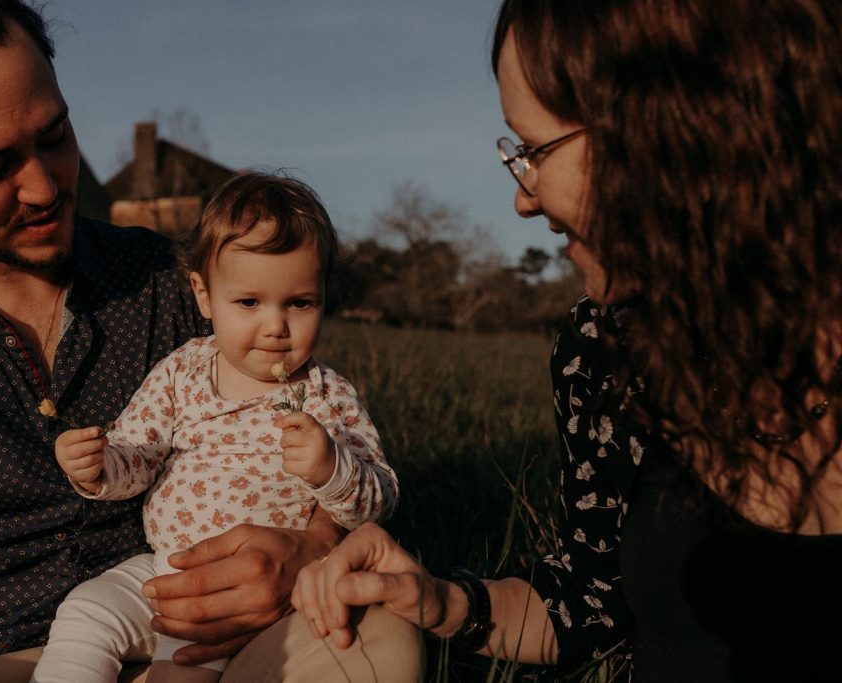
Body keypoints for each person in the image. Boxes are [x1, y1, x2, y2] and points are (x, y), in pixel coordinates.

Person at [0, 1, 420, 681]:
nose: (45, 186)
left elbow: (325, 450)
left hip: (193, 638)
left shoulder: (175, 284)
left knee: (374, 640)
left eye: (55, 135)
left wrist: (310, 549)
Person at [291, 0, 842, 680]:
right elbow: (585, 605)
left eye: (533, 149)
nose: (523, 198)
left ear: (676, 123)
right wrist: (438, 600)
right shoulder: (602, 351)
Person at [30, 171, 399, 683]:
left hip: (244, 594)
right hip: (163, 565)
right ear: (204, 296)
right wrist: (99, 466)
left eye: (300, 303)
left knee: (182, 667)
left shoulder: (326, 394)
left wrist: (332, 468)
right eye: (248, 302)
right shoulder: (183, 370)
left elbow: (377, 499)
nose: (275, 325)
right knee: (85, 610)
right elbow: (141, 450)